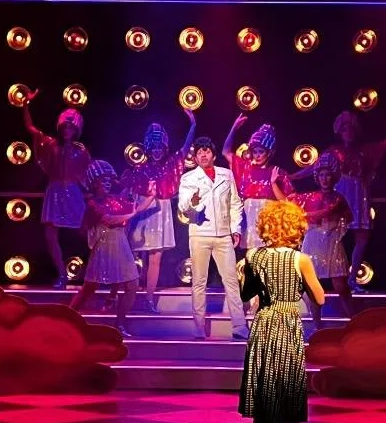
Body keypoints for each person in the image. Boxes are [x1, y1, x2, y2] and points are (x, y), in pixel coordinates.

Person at [238, 199, 325, 423]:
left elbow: (246, 293)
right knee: (277, 398)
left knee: (265, 400)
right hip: (286, 323)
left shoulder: (252, 256)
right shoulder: (300, 259)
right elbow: (320, 298)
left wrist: (246, 273)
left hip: (263, 324)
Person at [288, 106, 386, 292]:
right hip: (339, 191)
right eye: (344, 129)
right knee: (330, 234)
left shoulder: (365, 150)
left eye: (350, 129)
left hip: (359, 194)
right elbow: (314, 168)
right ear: (340, 132)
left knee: (362, 237)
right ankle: (322, 277)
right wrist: (293, 177)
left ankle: (352, 279)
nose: (348, 132)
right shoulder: (333, 151)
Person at [117, 108, 197, 311]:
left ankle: (149, 299)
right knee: (131, 256)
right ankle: (122, 297)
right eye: (153, 148)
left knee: (155, 257)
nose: (156, 151)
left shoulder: (171, 164)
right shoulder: (139, 169)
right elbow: (125, 191)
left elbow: (185, 148)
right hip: (143, 211)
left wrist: (193, 125)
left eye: (159, 147)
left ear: (164, 147)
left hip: (161, 211)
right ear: (148, 148)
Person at [68, 160, 156, 337]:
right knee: (89, 288)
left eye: (109, 181)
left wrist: (152, 195)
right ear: (94, 184)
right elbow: (109, 219)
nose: (107, 184)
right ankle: (67, 319)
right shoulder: (93, 204)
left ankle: (120, 324)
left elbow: (136, 208)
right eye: (103, 181)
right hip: (104, 247)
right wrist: (130, 215)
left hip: (121, 245)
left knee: (132, 285)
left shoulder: (115, 200)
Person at [271, 151, 355, 329]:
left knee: (341, 286)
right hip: (313, 242)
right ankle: (318, 326)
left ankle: (355, 322)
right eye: (322, 175)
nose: (325, 178)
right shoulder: (309, 197)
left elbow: (346, 217)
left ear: (334, 177)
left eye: (328, 175)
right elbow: (287, 202)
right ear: (317, 177)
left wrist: (331, 222)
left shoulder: (339, 199)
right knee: (312, 286)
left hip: (332, 243)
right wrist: (273, 183)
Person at [177, 136, 249, 340]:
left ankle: (239, 326)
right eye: (199, 152)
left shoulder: (226, 175)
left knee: (232, 281)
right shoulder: (188, 178)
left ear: (213, 154)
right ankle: (198, 327)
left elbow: (235, 203)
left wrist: (236, 229)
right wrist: (193, 201)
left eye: (206, 151)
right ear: (196, 157)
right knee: (199, 282)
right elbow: (183, 207)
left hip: (224, 235)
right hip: (200, 234)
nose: (203, 155)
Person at [20, 89, 91, 288]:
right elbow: (30, 128)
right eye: (65, 126)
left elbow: (89, 174)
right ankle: (62, 274)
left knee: (88, 233)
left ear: (76, 129)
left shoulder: (81, 150)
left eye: (71, 126)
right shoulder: (50, 144)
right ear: (60, 127)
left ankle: (93, 273)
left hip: (74, 192)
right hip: (54, 190)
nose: (67, 129)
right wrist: (26, 103)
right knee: (50, 234)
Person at [222, 114, 293, 251]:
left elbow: (290, 204)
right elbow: (226, 152)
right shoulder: (246, 168)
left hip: (270, 225)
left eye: (261, 151)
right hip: (249, 224)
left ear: (269, 153)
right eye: (255, 152)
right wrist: (234, 128)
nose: (258, 155)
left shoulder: (278, 172)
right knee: (252, 263)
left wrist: (274, 184)